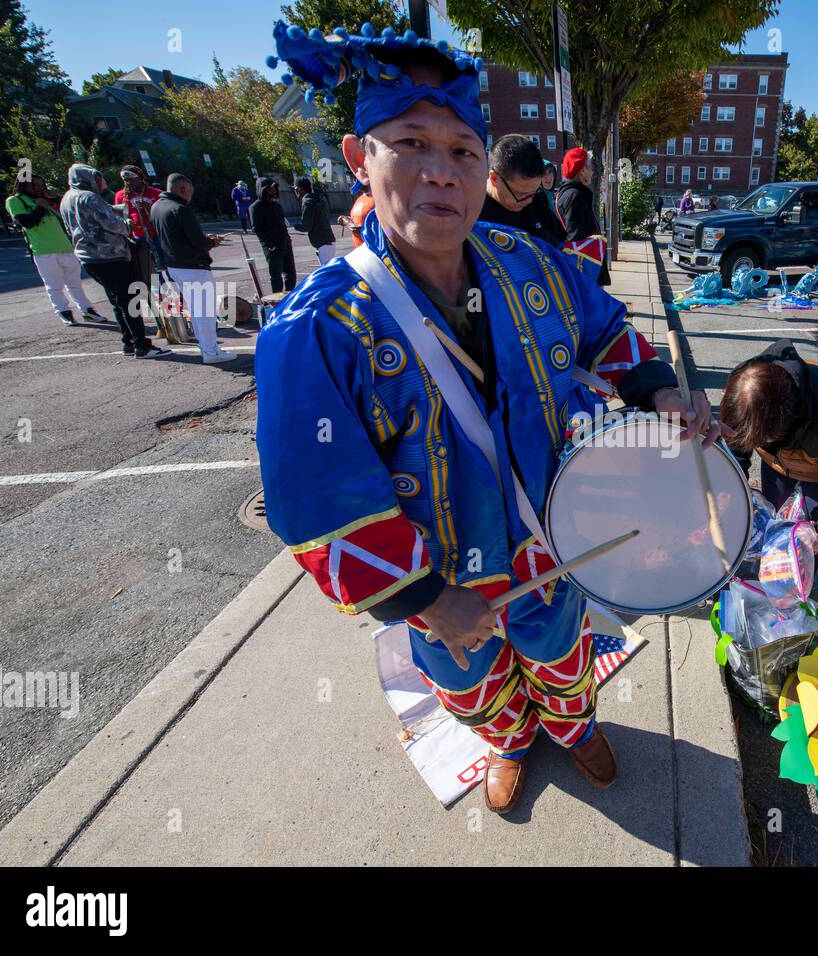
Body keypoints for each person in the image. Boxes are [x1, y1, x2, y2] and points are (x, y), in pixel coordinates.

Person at [257, 21, 721, 815]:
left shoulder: (531, 263)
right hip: (442, 581)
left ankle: (573, 732)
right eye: (411, 144)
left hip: (553, 544)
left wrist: (660, 390)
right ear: (358, 155)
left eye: (463, 152)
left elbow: (603, 327)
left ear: (484, 164)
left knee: (563, 658)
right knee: (472, 688)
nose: (441, 174)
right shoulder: (316, 331)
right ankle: (508, 745)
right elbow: (318, 505)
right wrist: (428, 600)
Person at [721, 338, 818, 541]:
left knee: (800, 536)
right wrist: (727, 487)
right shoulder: (744, 389)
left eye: (756, 439)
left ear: (777, 427)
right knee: (772, 518)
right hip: (777, 460)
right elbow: (735, 447)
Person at [59, 164, 170, 358]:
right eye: (99, 178)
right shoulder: (88, 197)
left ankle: (128, 343)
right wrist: (127, 225)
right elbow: (112, 223)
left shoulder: (67, 198)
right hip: (109, 256)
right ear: (89, 178)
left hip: (89, 257)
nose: (103, 182)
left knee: (118, 301)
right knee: (129, 301)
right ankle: (142, 346)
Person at [150, 173, 235, 364]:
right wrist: (212, 242)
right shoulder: (181, 209)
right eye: (190, 191)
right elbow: (198, 241)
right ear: (182, 189)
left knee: (196, 311)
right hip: (193, 266)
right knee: (204, 311)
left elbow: (178, 236)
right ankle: (211, 351)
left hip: (174, 265)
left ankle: (207, 347)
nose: (190, 195)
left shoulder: (156, 207)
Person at [6, 173, 105, 326]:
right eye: (35, 186)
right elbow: (26, 223)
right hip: (43, 251)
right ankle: (63, 311)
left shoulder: (46, 199)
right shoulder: (15, 201)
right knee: (54, 285)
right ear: (24, 185)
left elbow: (67, 212)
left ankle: (87, 310)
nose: (39, 189)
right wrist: (40, 207)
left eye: (41, 185)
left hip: (66, 247)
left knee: (75, 283)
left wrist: (56, 198)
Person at [479, 134, 564, 245]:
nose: (529, 201)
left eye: (533, 192)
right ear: (494, 178)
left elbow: (560, 243)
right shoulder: (472, 214)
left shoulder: (537, 199)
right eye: (521, 194)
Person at [557, 146, 610, 285]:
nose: (592, 171)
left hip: (585, 271)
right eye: (590, 167)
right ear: (582, 170)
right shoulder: (575, 196)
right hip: (586, 272)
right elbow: (575, 239)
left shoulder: (567, 193)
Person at [115, 166, 163, 320]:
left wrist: (149, 208)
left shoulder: (155, 193)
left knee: (164, 269)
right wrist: (127, 224)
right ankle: (150, 304)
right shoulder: (121, 196)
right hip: (137, 238)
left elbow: (162, 214)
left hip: (157, 236)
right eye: (126, 180)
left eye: (132, 179)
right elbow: (119, 216)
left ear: (140, 178)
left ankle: (166, 297)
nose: (129, 183)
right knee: (142, 273)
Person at [250, 177, 297, 294]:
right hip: (272, 247)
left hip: (285, 244)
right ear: (263, 190)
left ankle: (290, 296)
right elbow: (257, 228)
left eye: (274, 188)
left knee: (291, 273)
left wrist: (288, 240)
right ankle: (277, 302)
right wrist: (269, 244)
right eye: (269, 189)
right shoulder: (256, 207)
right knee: (276, 276)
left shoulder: (277, 206)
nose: (273, 191)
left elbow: (282, 224)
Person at [294, 177, 337, 265]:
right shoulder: (317, 199)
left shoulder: (307, 202)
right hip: (328, 241)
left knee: (327, 274)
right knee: (329, 271)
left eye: (295, 189)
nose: (295, 191)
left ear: (300, 189)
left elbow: (307, 226)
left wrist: (295, 226)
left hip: (322, 243)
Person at [345, 181, 375, 248]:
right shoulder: (360, 199)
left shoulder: (376, 199)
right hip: (359, 248)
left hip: (372, 249)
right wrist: (346, 220)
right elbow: (355, 218)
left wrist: (361, 229)